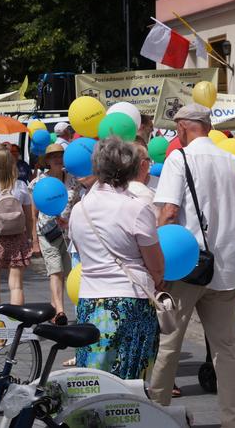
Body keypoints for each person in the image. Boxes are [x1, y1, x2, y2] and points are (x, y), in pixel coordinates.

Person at [149, 103, 235, 428]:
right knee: (227, 351)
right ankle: (233, 421)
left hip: (185, 269)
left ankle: (156, 415)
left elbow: (168, 213)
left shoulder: (179, 159)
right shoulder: (234, 161)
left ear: (183, 128)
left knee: (168, 344)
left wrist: (158, 270)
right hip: (225, 269)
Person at [68, 137, 164, 380]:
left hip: (90, 301)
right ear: (131, 169)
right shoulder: (136, 208)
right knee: (130, 384)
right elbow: (157, 267)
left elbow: (80, 252)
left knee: (92, 381)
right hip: (131, 302)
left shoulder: (80, 210)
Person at [29, 144, 82, 325]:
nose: (58, 159)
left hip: (69, 235)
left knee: (69, 273)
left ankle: (54, 307)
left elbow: (78, 206)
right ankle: (60, 312)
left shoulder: (74, 180)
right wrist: (34, 240)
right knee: (56, 271)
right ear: (48, 161)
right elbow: (33, 214)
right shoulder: (38, 183)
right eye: (53, 156)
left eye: (60, 155)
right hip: (47, 233)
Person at [0, 145, 33, 306]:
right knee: (16, 286)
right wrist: (30, 238)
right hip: (18, 238)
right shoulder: (20, 186)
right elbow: (29, 218)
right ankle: (16, 324)